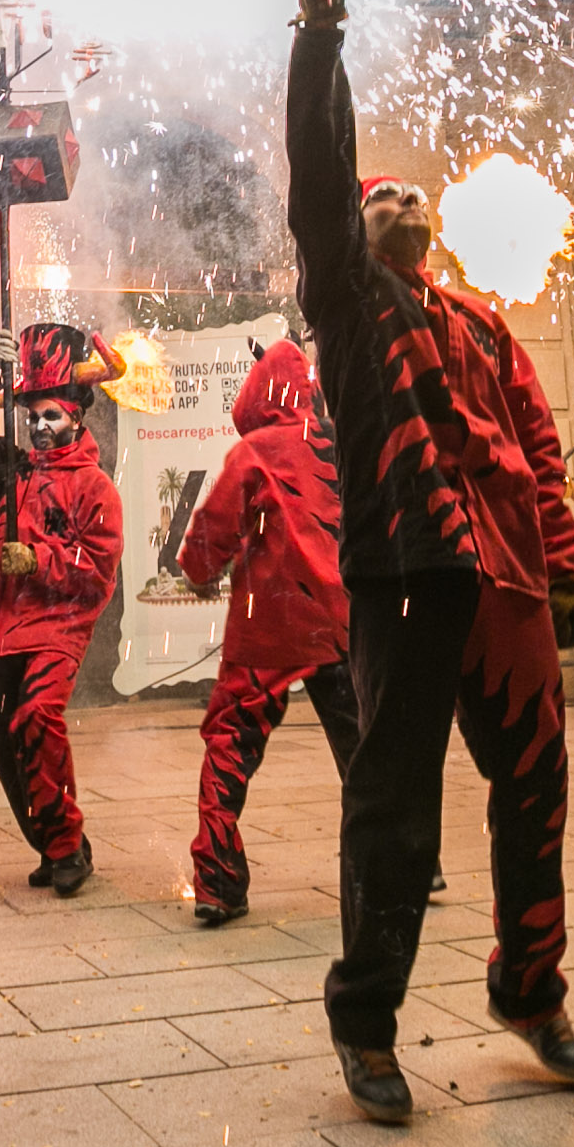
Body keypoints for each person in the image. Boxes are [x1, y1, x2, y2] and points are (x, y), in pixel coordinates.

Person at [290, 0, 574, 1116]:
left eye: (413, 196)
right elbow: (318, 174)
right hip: (409, 570)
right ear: (357, 231)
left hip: (506, 578)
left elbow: (536, 440)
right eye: (382, 200)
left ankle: (530, 987)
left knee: (536, 791)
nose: (403, 204)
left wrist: (562, 566)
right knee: (396, 808)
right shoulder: (345, 297)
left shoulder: (480, 320)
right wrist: (320, 38)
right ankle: (366, 1024)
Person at [174, 337, 358, 926]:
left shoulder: (254, 452)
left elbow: (215, 526)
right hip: (338, 621)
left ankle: (218, 882)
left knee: (230, 743)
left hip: (269, 625)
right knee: (365, 747)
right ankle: (402, 862)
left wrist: (198, 569)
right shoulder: (339, 446)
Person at [0, 321, 122, 897]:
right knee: (2, 738)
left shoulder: (96, 487)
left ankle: (67, 847)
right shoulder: (16, 471)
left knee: (37, 718)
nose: (40, 427)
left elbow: (98, 570)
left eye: (52, 416)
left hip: (58, 627)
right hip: (6, 625)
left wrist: (41, 561)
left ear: (76, 417)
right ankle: (53, 843)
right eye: (33, 417)